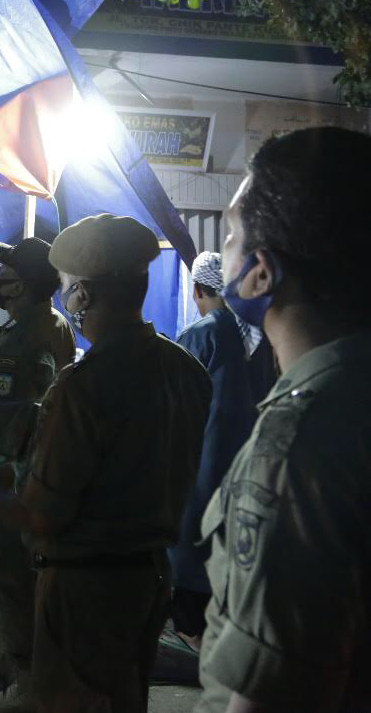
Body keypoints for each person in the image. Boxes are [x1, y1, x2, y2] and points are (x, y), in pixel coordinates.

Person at [0, 214, 211, 713]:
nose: (67, 299)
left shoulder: (81, 387)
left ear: (85, 295)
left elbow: (44, 513)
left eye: (70, 288)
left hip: (85, 585)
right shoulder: (185, 370)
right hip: (151, 576)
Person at [196, 127, 371, 713]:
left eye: (230, 234)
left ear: (261, 273)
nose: (224, 251)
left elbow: (270, 695)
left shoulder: (298, 439)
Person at [0, 238, 76, 712]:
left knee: (12, 576)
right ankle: (3, 647)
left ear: (21, 284)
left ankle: (27, 682)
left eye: (5, 270)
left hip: (8, 476)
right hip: (5, 469)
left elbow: (20, 420)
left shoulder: (30, 339)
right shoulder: (34, 325)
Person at [169, 252, 276, 649]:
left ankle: (195, 650)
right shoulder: (263, 336)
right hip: (250, 476)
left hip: (201, 476)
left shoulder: (201, 335)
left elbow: (171, 410)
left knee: (191, 567)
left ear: (198, 291)